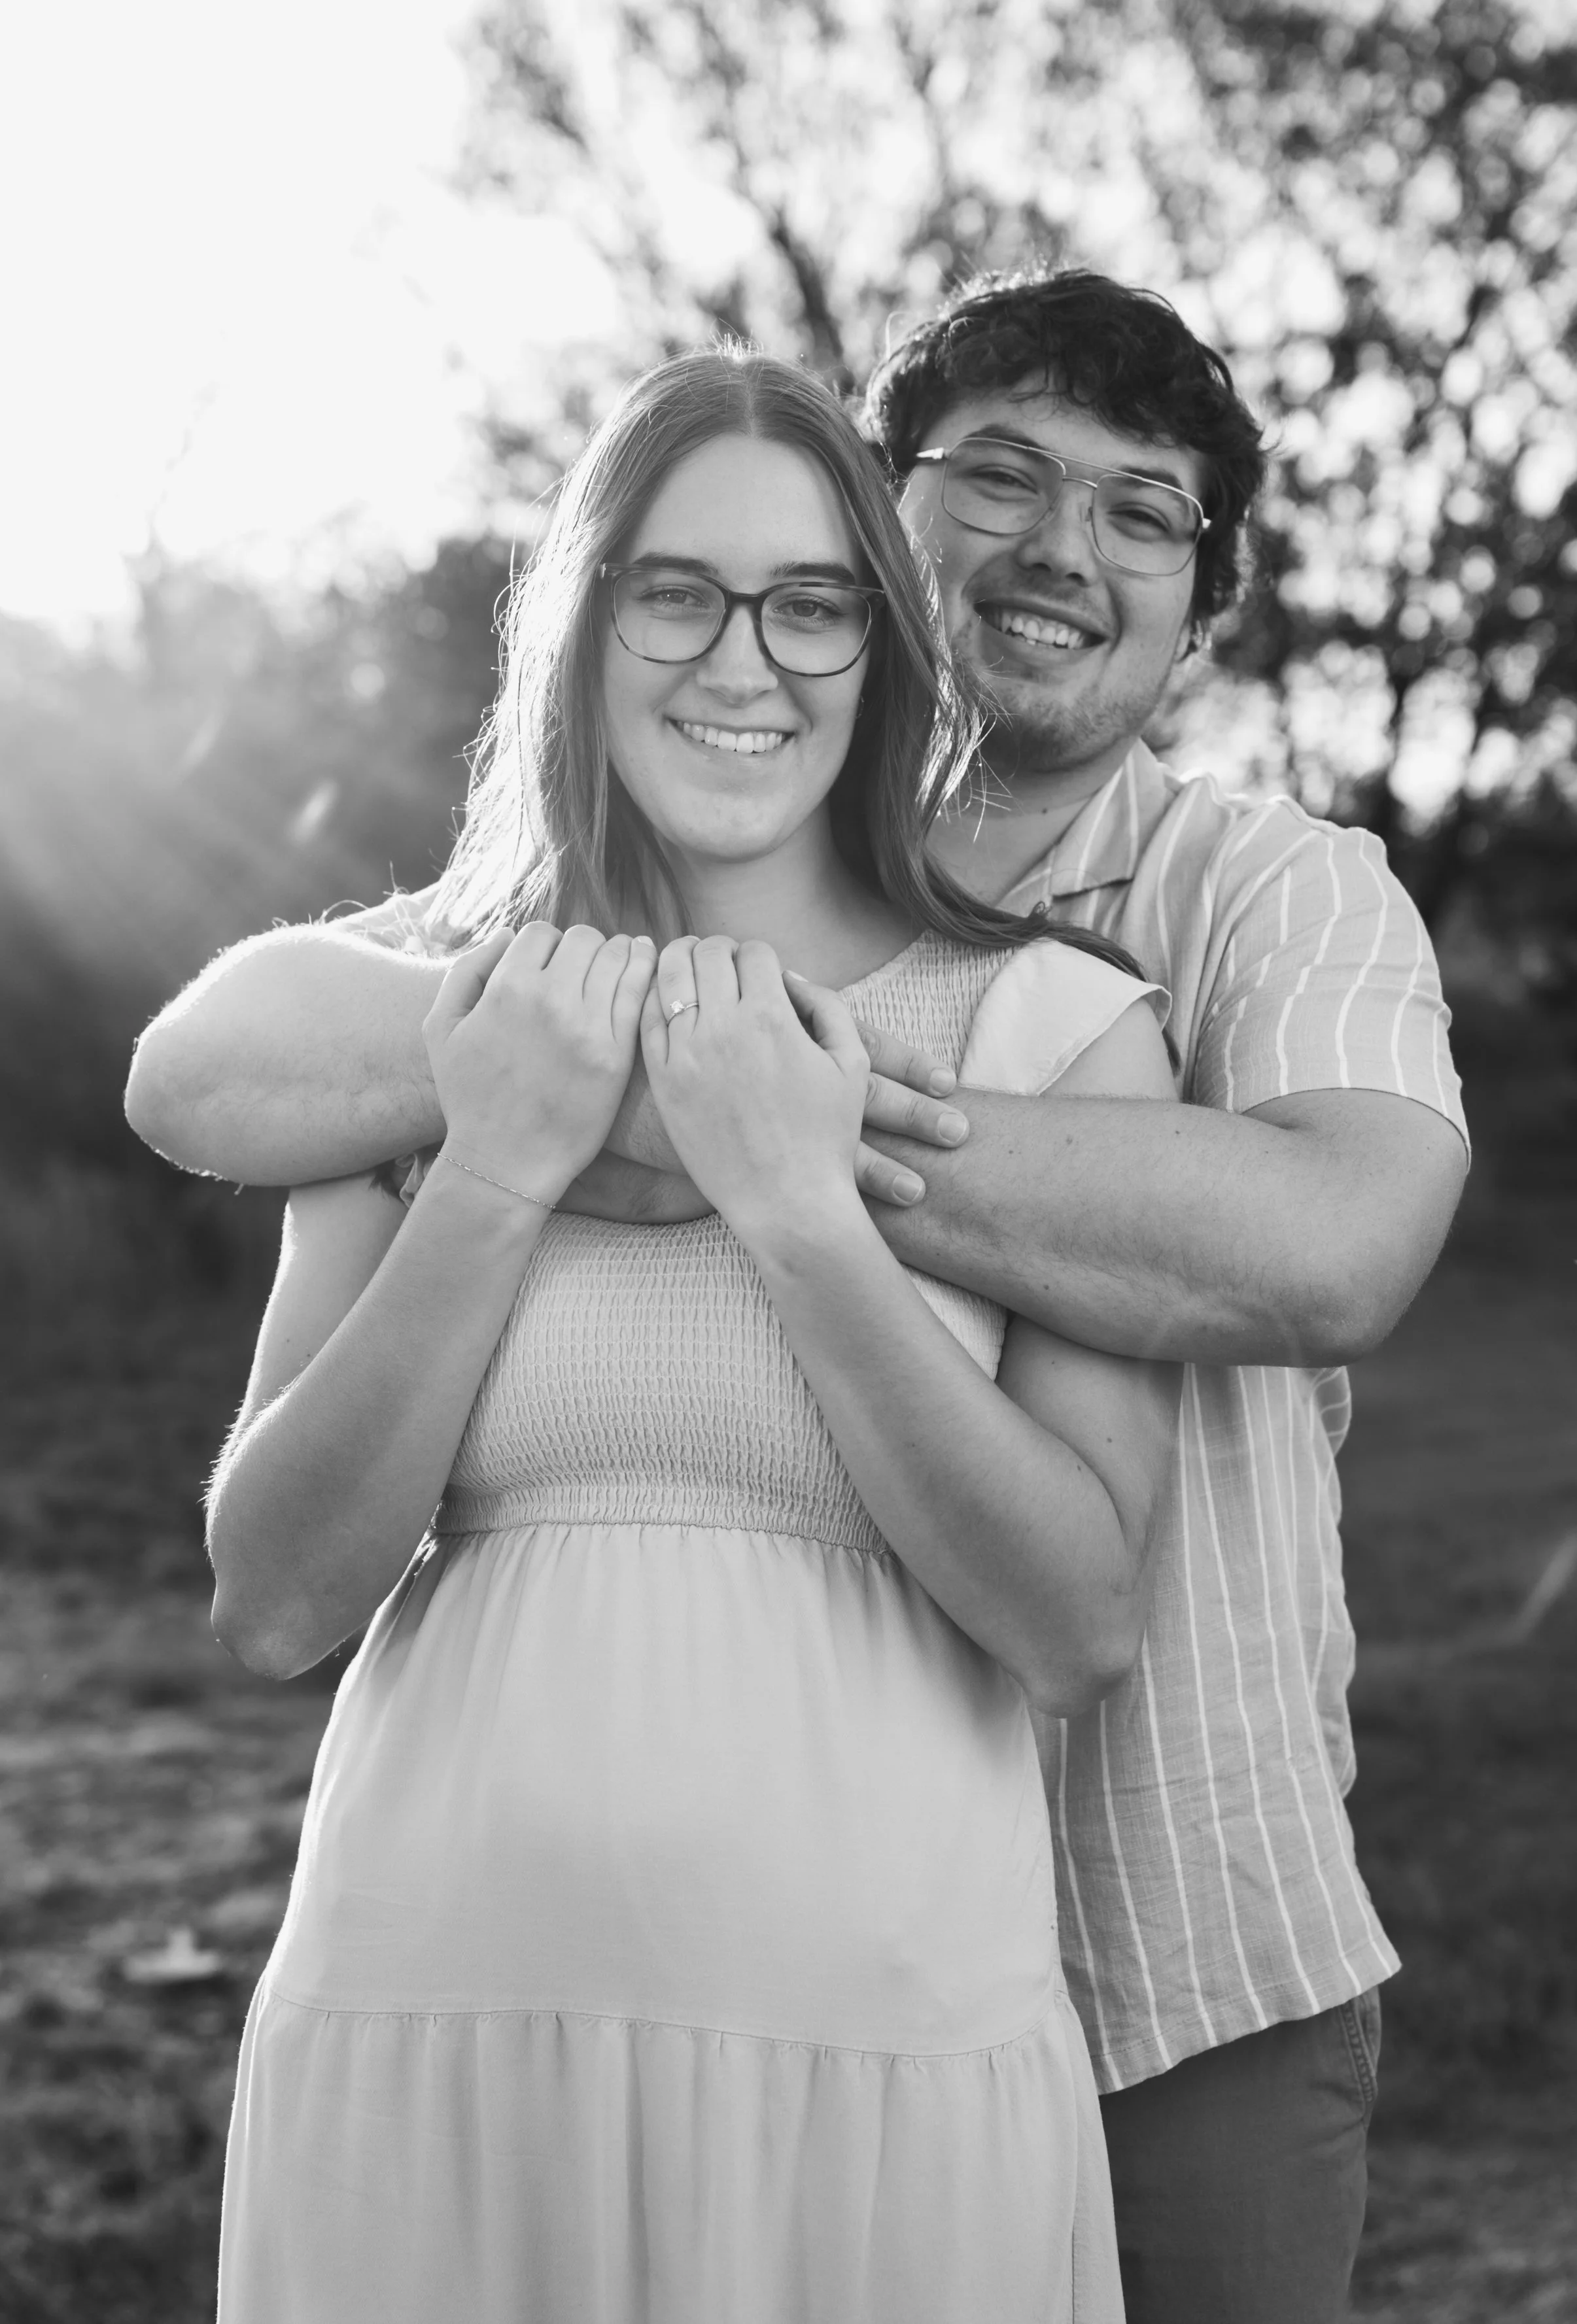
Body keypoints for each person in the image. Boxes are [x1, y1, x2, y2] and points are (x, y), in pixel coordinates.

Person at [128, 270, 1471, 2324]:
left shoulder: (1226, 920)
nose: (1060, 551)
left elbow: (1325, 1256)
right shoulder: (497, 993)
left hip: (1096, 1967)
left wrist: (784, 1153)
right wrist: (515, 1136)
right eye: (998, 479)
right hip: (443, 2022)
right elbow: (219, 1075)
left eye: (1143, 514)